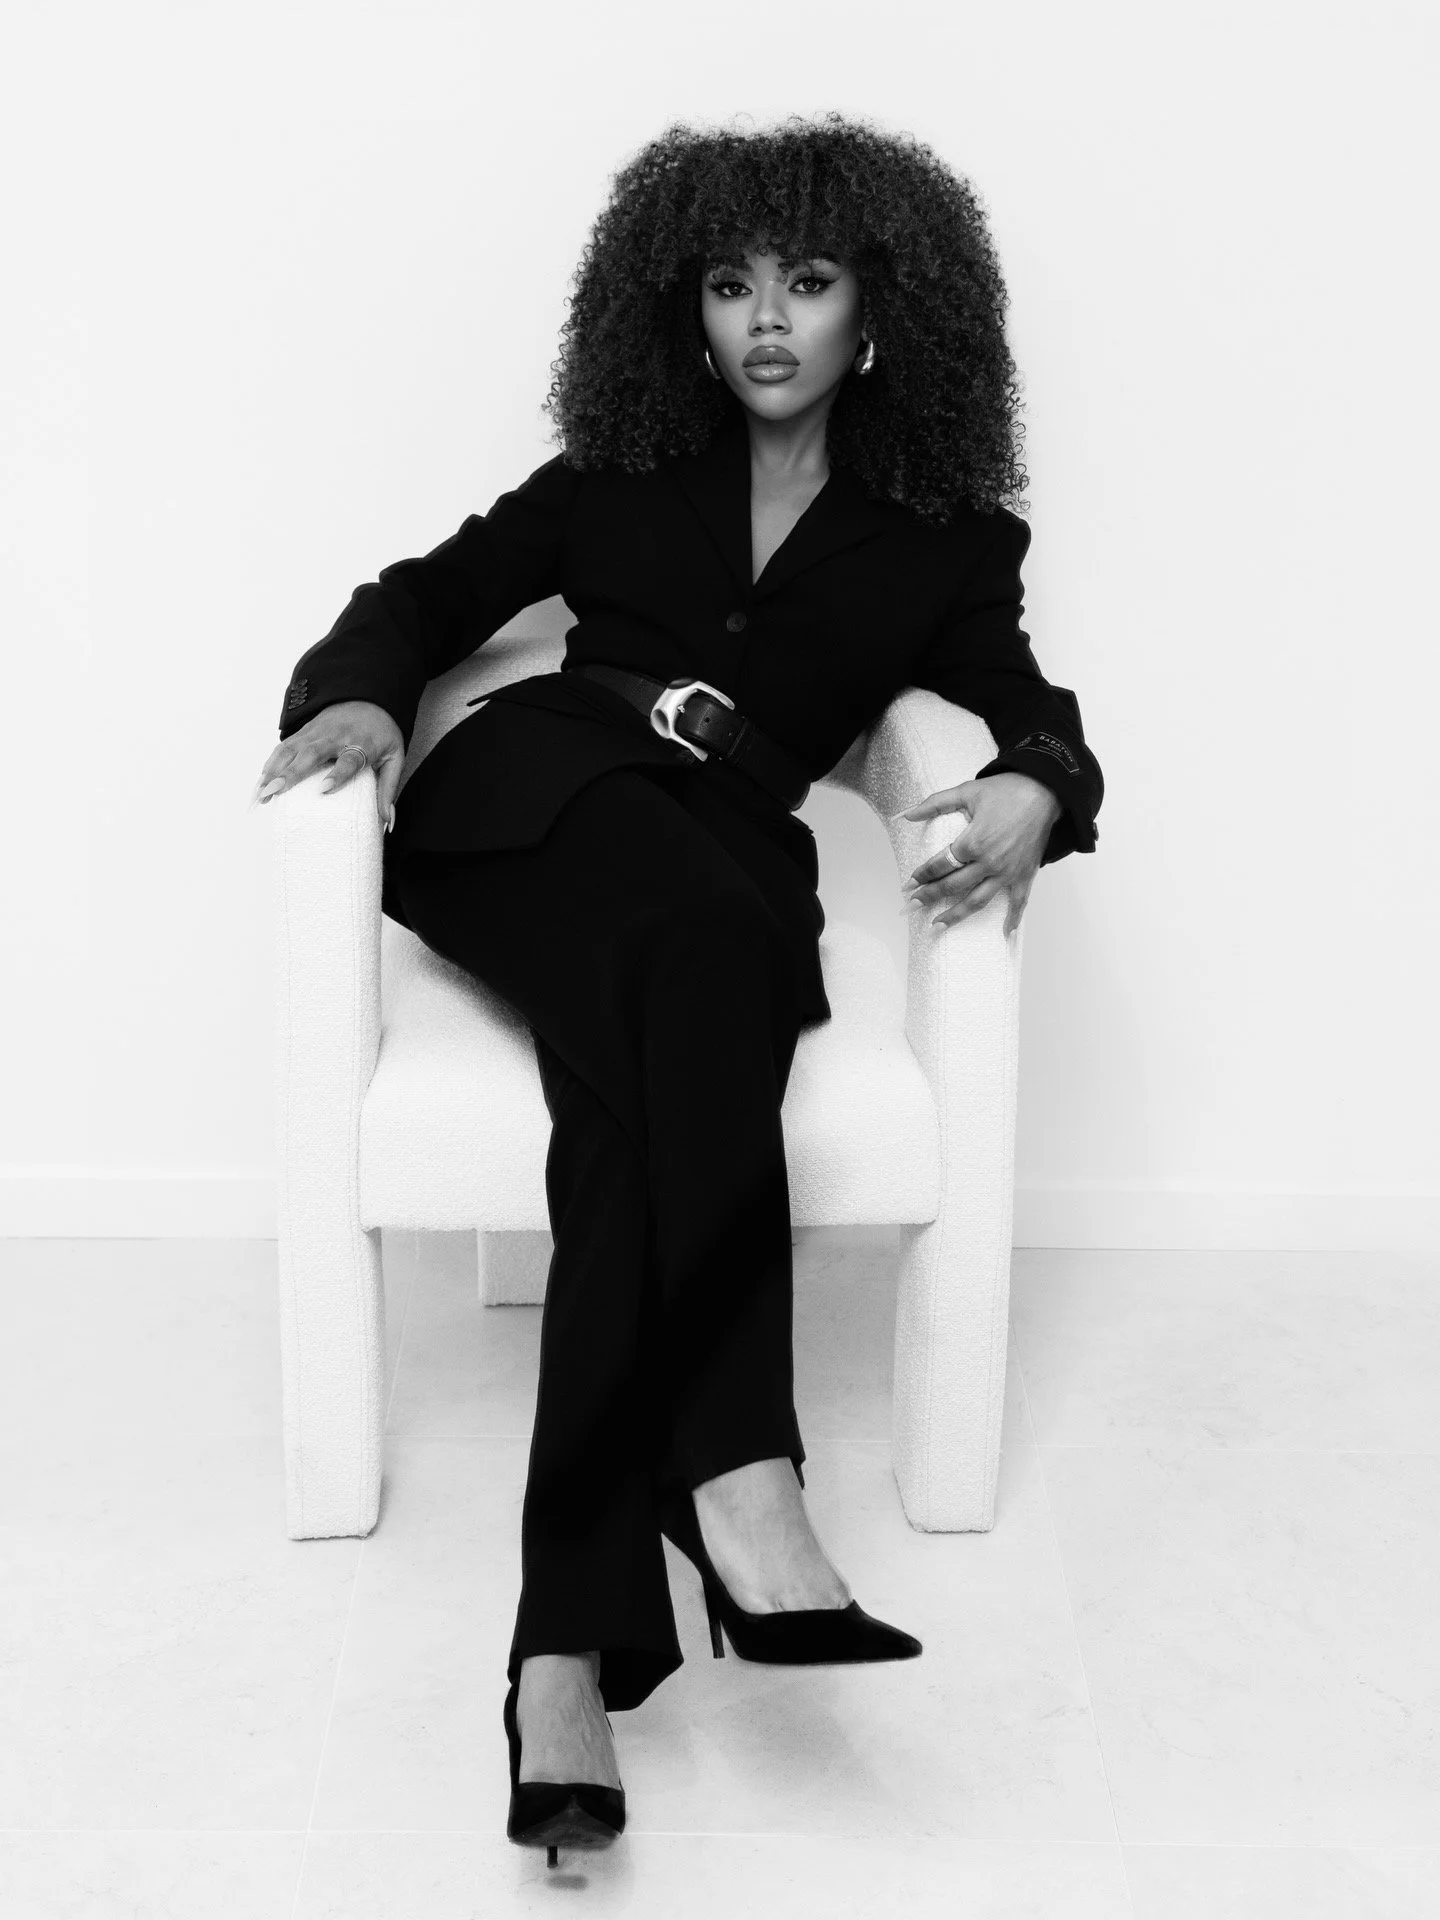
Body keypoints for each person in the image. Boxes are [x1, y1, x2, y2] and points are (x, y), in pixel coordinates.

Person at [251, 112, 1104, 1867]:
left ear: (885, 310)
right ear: (683, 313)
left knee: (634, 1114)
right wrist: (350, 698)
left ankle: (561, 1656)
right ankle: (738, 1476)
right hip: (531, 803)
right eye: (729, 285)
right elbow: (421, 598)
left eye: (806, 280)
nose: (765, 320)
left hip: (714, 868)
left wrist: (1037, 782)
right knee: (706, 940)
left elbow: (1024, 704)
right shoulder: (613, 479)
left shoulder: (944, 539)